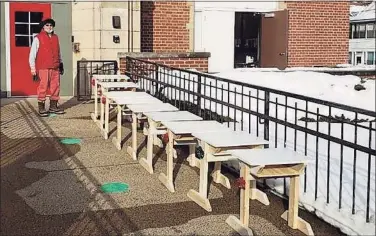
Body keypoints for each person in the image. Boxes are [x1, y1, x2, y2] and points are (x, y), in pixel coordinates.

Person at [29, 18, 64, 117]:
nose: (49, 27)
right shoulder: (38, 38)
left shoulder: (56, 37)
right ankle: (41, 108)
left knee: (55, 87)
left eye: (51, 25)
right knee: (43, 87)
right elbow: (32, 54)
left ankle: (53, 107)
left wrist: (61, 63)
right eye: (47, 25)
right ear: (43, 27)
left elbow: (58, 51)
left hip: (55, 67)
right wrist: (33, 68)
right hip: (43, 67)